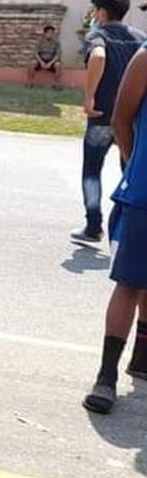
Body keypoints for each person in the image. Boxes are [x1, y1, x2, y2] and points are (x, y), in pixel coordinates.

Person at [85, 44, 147, 414]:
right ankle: (106, 376)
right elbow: (121, 120)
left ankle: (141, 357)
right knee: (129, 282)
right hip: (144, 194)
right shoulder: (145, 58)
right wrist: (134, 168)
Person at [72, 0, 147, 244]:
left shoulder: (98, 35)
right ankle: (128, 225)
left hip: (103, 114)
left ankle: (93, 226)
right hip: (133, 118)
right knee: (131, 171)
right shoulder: (139, 38)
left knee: (92, 170)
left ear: (102, 12)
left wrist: (90, 96)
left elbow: (99, 56)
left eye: (95, 11)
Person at [28, 25, 63, 90]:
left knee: (58, 64)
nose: (50, 34)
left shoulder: (56, 43)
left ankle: (56, 84)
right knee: (32, 63)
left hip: (51, 61)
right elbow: (36, 53)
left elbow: (58, 55)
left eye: (52, 33)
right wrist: (41, 62)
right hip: (41, 60)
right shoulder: (40, 42)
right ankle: (30, 82)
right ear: (45, 33)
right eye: (48, 33)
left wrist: (50, 63)